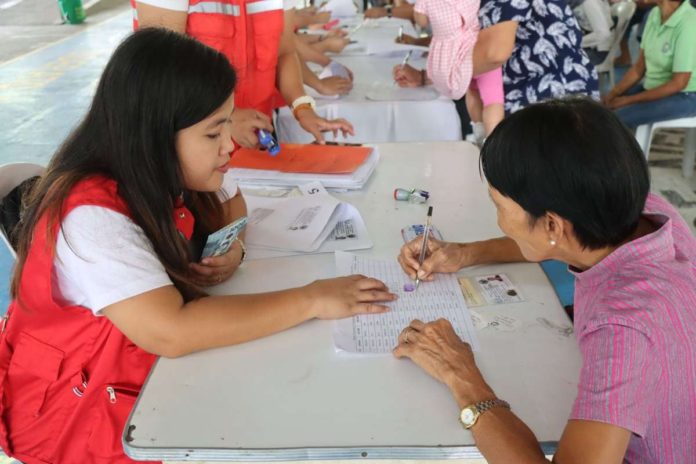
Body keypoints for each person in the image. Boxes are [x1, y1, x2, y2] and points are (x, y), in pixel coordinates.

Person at [0, 29, 395, 464]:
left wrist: (235, 249)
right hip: (80, 412)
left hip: (140, 372)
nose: (230, 145)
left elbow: (233, 200)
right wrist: (312, 298)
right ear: (153, 134)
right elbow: (172, 331)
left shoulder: (162, 168)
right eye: (213, 134)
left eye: (228, 123)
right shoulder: (91, 219)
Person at [396, 98, 696, 463]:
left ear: (553, 224)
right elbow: (554, 237)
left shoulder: (624, 327)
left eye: (500, 207)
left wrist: (461, 375)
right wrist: (465, 253)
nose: (499, 221)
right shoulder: (639, 209)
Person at [134, 0, 354, 146]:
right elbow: (162, 64)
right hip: (192, 139)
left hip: (257, 133)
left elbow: (284, 51)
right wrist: (226, 119)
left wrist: (303, 108)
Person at [394, 0, 600, 118]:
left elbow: (493, 52)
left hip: (549, 106)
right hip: (531, 99)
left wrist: (436, 74)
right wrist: (426, 76)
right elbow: (463, 40)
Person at [411, 0, 504, 141]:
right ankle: (493, 140)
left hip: (450, 55)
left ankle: (479, 132)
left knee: (472, 91)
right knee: (493, 98)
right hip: (478, 45)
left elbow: (421, 21)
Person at [604, 0, 696, 129]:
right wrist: (613, 94)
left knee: (617, 119)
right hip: (654, 87)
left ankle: (620, 148)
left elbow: (679, 83)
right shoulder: (654, 14)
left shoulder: (689, 22)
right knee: (601, 109)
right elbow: (638, 68)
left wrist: (628, 100)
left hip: (686, 96)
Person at [570, 0, 614, 66]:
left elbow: (603, 34)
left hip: (598, 51)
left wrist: (575, 43)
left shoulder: (589, 2)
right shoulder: (573, 2)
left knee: (558, 61)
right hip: (589, 45)